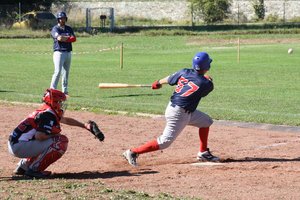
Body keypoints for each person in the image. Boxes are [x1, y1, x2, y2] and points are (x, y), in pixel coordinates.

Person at [123, 52, 220, 167]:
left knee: (206, 121)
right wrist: (207, 79)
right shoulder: (206, 84)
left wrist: (158, 82)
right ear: (207, 66)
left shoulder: (184, 72)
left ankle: (203, 153)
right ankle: (133, 152)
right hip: (179, 114)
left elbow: (169, 79)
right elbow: (204, 86)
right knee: (164, 142)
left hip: (178, 109)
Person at [7, 88, 104, 178]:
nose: (61, 104)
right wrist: (56, 135)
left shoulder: (47, 110)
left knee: (48, 140)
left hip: (16, 144)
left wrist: (84, 125)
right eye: (60, 102)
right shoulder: (48, 114)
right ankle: (34, 170)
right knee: (60, 141)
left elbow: (65, 120)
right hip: (19, 146)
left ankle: (23, 166)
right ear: (53, 102)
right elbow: (39, 136)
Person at [50, 11, 76, 96]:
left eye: (64, 18)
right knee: (57, 71)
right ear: (58, 19)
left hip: (68, 52)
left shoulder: (69, 28)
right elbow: (59, 38)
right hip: (59, 52)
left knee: (66, 73)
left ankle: (65, 91)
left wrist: (65, 38)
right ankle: (52, 90)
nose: (62, 20)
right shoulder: (55, 29)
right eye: (61, 18)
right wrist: (68, 38)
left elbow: (74, 39)